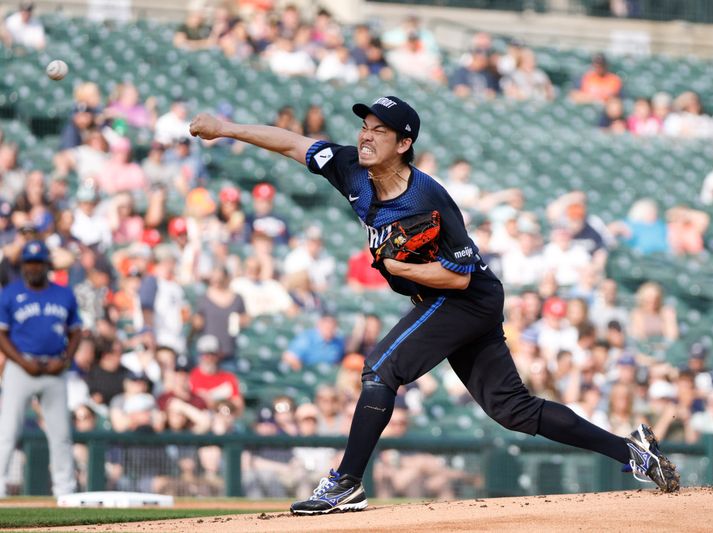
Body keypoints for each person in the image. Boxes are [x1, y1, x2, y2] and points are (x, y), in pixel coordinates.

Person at [189, 93, 680, 514]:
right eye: (364, 126)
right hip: (446, 299)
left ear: (403, 144)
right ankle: (633, 453)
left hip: (466, 296)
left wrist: (399, 269)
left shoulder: (429, 199)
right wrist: (225, 129)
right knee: (513, 410)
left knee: (381, 368)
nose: (365, 136)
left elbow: (458, 276)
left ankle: (347, 482)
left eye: (379, 131)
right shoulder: (349, 169)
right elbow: (293, 143)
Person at [0, 240, 82, 498]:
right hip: (21, 367)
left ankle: (65, 490)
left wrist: (66, 360)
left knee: (60, 434)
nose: (33, 267)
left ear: (48, 265)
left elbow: (76, 331)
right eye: (29, 262)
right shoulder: (10, 293)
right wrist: (23, 362)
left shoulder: (64, 293)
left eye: (38, 262)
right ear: (23, 265)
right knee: (8, 431)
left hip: (55, 369)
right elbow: (1, 334)